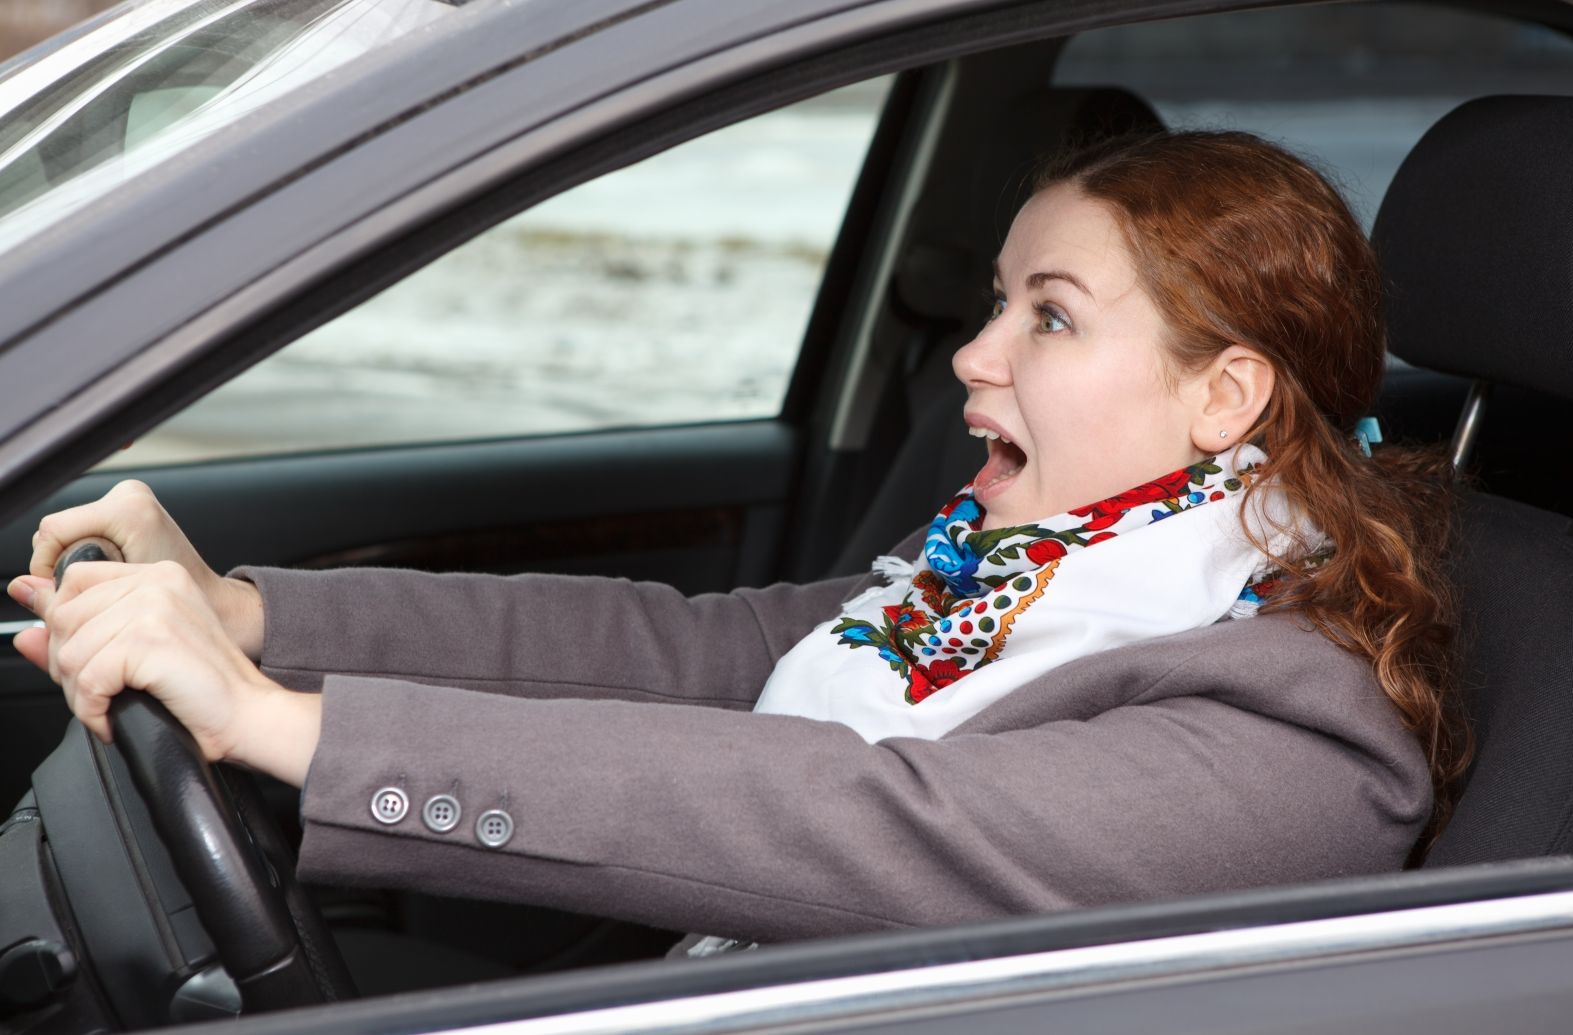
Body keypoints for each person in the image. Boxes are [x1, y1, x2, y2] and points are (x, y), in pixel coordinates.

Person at [5, 130, 1467, 952]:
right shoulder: (1013, 574)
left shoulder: (1293, 740)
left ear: (1225, 397)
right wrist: (252, 621)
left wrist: (284, 729)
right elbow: (697, 650)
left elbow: (857, 817)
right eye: (997, 301)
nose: (973, 356)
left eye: (1051, 317)